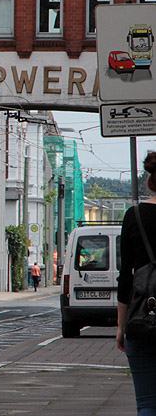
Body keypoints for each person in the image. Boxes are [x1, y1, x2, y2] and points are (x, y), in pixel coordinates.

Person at [117, 151, 156, 416]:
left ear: (149, 181)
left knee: (147, 403)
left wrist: (121, 326)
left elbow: (125, 278)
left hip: (143, 318)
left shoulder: (135, 217)